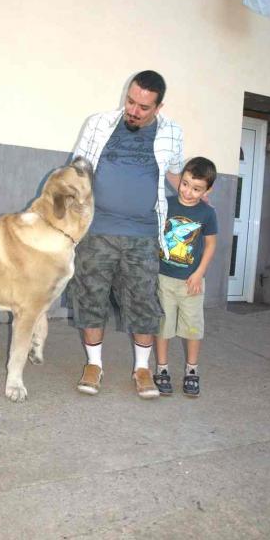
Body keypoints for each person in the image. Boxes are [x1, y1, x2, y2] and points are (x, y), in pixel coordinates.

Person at [69, 70, 184, 398]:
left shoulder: (172, 133)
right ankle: (94, 364)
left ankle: (142, 368)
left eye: (143, 107)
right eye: (130, 101)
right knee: (90, 297)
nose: (133, 110)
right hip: (97, 230)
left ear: (158, 107)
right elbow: (78, 169)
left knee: (143, 302)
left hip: (143, 234)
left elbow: (174, 174)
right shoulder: (99, 124)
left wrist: (196, 195)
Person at [153, 157, 218, 398]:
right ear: (180, 179)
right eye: (185, 184)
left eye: (197, 189)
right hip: (163, 279)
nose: (188, 192)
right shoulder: (166, 204)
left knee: (192, 328)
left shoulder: (207, 213)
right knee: (163, 326)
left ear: (207, 191)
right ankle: (162, 368)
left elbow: (210, 245)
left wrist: (199, 273)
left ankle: (192, 370)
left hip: (192, 282)